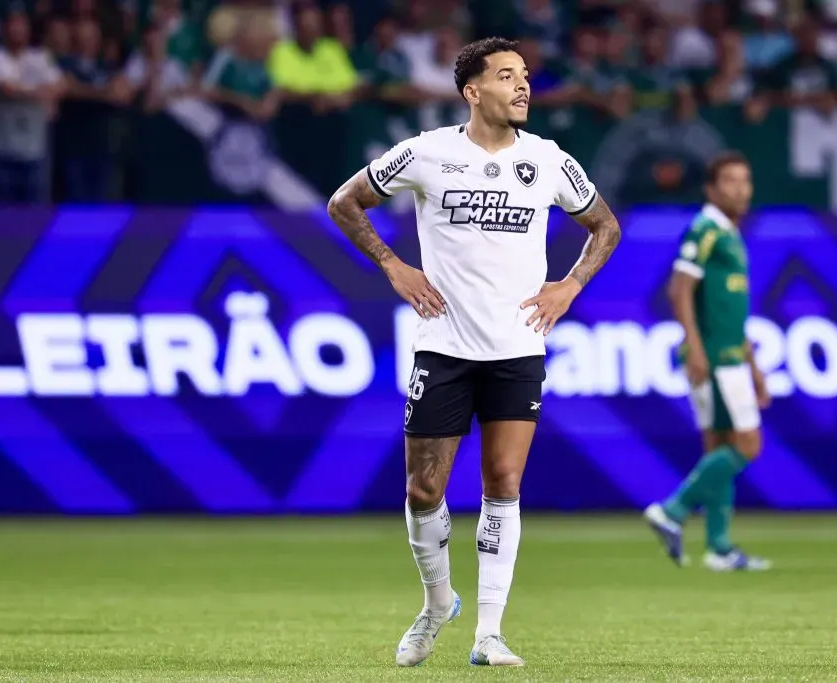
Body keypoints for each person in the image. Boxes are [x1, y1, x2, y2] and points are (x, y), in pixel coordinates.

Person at [326, 37, 621, 667]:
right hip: (445, 347)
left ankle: (489, 634)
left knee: (503, 482)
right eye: (507, 76)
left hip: (517, 348)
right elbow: (344, 202)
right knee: (423, 488)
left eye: (525, 77)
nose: (522, 87)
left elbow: (605, 226)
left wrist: (570, 285)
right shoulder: (428, 152)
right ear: (473, 91)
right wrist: (392, 265)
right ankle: (437, 604)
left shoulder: (547, 160)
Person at [643, 151, 772, 573]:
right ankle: (673, 510)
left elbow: (730, 313)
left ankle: (718, 547)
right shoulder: (705, 230)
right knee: (747, 444)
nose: (741, 189)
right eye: (730, 181)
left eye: (746, 180)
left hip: (733, 356)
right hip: (716, 360)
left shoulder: (730, 234)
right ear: (712, 189)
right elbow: (679, 291)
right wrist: (695, 349)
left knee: (719, 447)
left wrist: (755, 368)